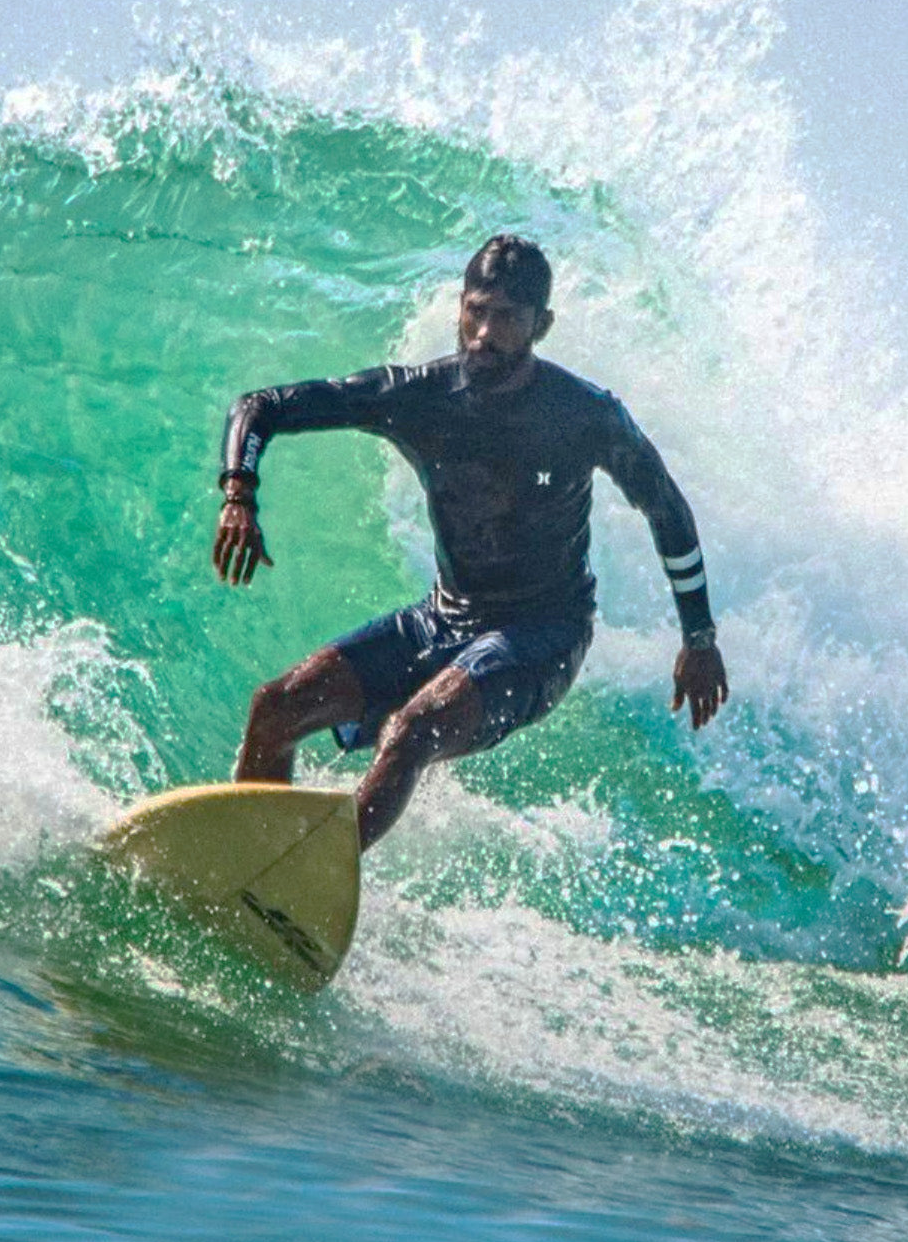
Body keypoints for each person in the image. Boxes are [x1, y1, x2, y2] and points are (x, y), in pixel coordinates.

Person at [213, 235, 728, 850]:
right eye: (475, 311)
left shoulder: (585, 416)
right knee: (275, 708)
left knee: (410, 731)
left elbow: (667, 511)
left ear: (542, 325)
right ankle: (246, 861)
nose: (484, 333)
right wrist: (239, 493)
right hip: (443, 618)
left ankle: (311, 877)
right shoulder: (418, 397)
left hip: (544, 632)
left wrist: (698, 638)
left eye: (506, 318)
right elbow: (260, 407)